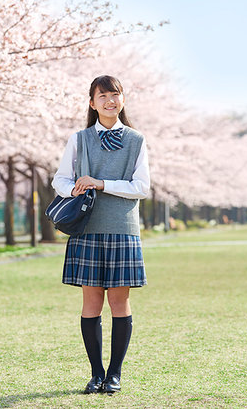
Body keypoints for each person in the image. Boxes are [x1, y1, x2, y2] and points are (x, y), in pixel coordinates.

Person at [52, 75, 150, 395]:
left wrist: (101, 183)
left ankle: (115, 374)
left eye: (115, 94)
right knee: (91, 301)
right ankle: (96, 374)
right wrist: (77, 186)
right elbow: (60, 181)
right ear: (92, 103)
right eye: (102, 95)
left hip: (123, 229)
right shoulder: (78, 139)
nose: (110, 100)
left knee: (119, 301)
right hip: (87, 228)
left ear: (123, 99)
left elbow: (142, 187)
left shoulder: (136, 140)